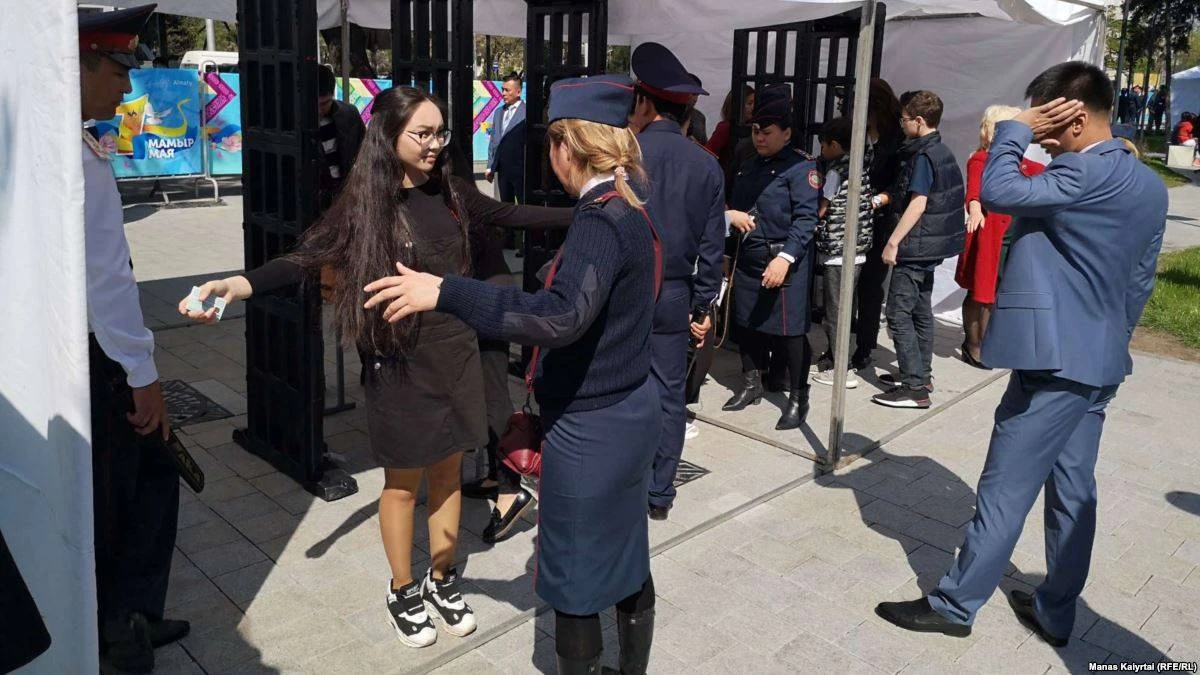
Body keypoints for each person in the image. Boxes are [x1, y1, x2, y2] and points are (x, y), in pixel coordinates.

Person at [179, 86, 571, 649]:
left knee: (448, 475)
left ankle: (441, 578)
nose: (435, 145)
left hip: (456, 353)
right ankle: (403, 589)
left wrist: (593, 209)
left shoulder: (453, 193)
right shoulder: (363, 206)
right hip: (399, 363)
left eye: (441, 133)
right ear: (388, 137)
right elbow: (302, 259)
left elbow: (512, 214)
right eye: (423, 134)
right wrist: (236, 285)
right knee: (403, 484)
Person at [361, 74, 663, 675]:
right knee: (628, 557)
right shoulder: (627, 205)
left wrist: (447, 292)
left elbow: (560, 317)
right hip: (632, 410)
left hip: (593, 426)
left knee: (575, 581)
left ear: (566, 146)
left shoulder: (601, 219)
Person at [876, 61, 1168, 647]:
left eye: (1046, 121)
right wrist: (1112, 342)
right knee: (1073, 491)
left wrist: (1013, 130)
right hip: (1098, 360)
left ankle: (955, 604)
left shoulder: (1084, 170)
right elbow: (1140, 280)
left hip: (1055, 364)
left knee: (1006, 487)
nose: (1041, 135)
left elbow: (1000, 191)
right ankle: (1056, 609)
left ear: (1076, 118)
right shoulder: (1147, 183)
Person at [78, 5, 191, 672]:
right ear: (80, 65)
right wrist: (142, 374)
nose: (126, 87)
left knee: (151, 476)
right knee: (118, 492)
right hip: (100, 357)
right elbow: (106, 280)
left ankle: (134, 612)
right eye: (117, 71)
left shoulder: (70, 146)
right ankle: (116, 632)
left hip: (88, 354)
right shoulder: (76, 159)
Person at [628, 42, 726, 521]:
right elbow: (712, 247)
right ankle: (659, 492)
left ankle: (622, 480)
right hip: (673, 292)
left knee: (618, 386)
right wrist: (703, 306)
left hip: (625, 290)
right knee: (668, 394)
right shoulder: (706, 164)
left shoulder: (625, 157)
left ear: (646, 104)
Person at [721, 83, 819, 431]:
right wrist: (728, 254)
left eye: (767, 132)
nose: (759, 138)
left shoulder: (801, 167)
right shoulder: (748, 163)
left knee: (790, 332)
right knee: (746, 324)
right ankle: (752, 383)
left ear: (786, 133)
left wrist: (786, 258)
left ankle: (798, 396)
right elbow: (737, 210)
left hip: (783, 259)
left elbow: (806, 219)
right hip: (749, 256)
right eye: (755, 131)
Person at [868, 90, 965, 409]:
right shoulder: (942, 151)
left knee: (898, 313)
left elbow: (918, 203)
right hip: (930, 246)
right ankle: (921, 374)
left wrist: (893, 241)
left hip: (916, 246)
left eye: (905, 119)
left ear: (920, 121)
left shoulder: (923, 156)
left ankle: (914, 388)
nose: (902, 124)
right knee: (921, 310)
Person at [956, 105, 1026, 368]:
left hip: (1009, 235)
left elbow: (1040, 173)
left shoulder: (1016, 161)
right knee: (980, 291)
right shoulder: (980, 159)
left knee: (996, 291)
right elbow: (973, 192)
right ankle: (974, 345)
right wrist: (974, 208)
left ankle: (989, 343)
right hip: (987, 235)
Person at [810, 116, 873, 390]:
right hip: (858, 248)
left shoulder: (836, 172)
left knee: (835, 312)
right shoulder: (861, 167)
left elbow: (823, 208)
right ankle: (836, 357)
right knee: (846, 308)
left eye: (823, 145)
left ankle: (841, 369)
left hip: (838, 250)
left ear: (834, 145)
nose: (821, 151)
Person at [852, 78, 904, 371]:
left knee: (870, 285)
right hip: (855, 217)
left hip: (879, 220)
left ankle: (864, 345)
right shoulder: (857, 133)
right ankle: (846, 341)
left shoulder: (894, 140)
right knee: (848, 282)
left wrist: (881, 198)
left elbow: (901, 183)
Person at [316, 65, 366, 211]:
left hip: (347, 197)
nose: (319, 110)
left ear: (333, 95)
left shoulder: (349, 114)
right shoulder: (295, 125)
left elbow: (364, 150)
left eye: (324, 104)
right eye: (315, 104)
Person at [706, 84, 755, 193]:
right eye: (749, 103)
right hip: (728, 185)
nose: (753, 107)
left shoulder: (755, 128)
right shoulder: (725, 128)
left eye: (754, 103)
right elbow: (709, 154)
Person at [683, 73, 709, 145]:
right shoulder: (669, 115)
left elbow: (704, 144)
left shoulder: (700, 117)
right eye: (693, 94)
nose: (695, 99)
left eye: (697, 95)